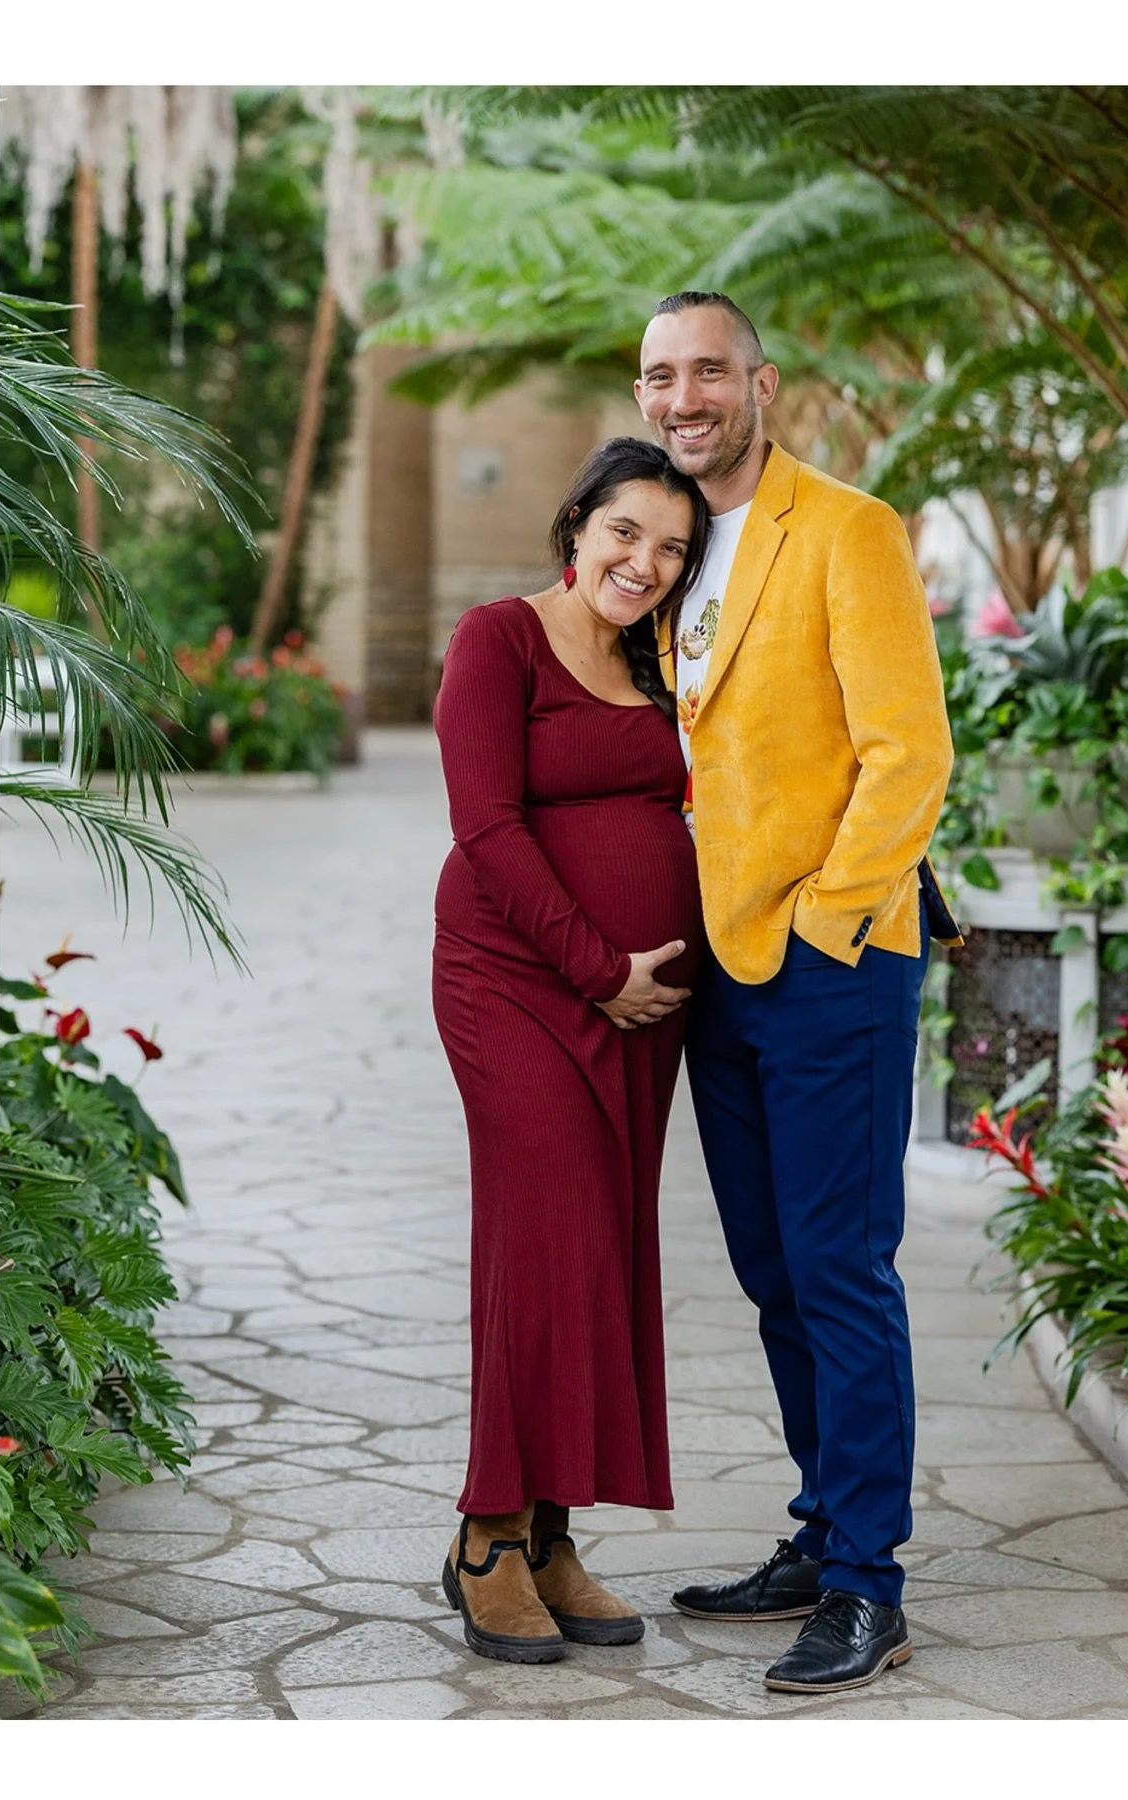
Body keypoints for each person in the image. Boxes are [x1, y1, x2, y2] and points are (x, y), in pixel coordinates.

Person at [634, 291, 964, 1695]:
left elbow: (910, 752)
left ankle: (871, 1585)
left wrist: (827, 921)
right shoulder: (666, 542)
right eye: (661, 375)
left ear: (760, 384)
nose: (685, 396)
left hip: (832, 963)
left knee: (840, 1267)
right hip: (720, 968)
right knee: (775, 1272)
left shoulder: (846, 530)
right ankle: (825, 1531)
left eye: (709, 370)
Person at [431, 436, 710, 1664]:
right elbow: (487, 828)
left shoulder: (660, 663)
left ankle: (550, 1534)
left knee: (597, 1251)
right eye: (626, 533)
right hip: (518, 984)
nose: (644, 563)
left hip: (642, 1011)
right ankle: (486, 1534)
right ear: (579, 525)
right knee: (541, 1242)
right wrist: (601, 971)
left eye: (672, 550)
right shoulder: (498, 640)